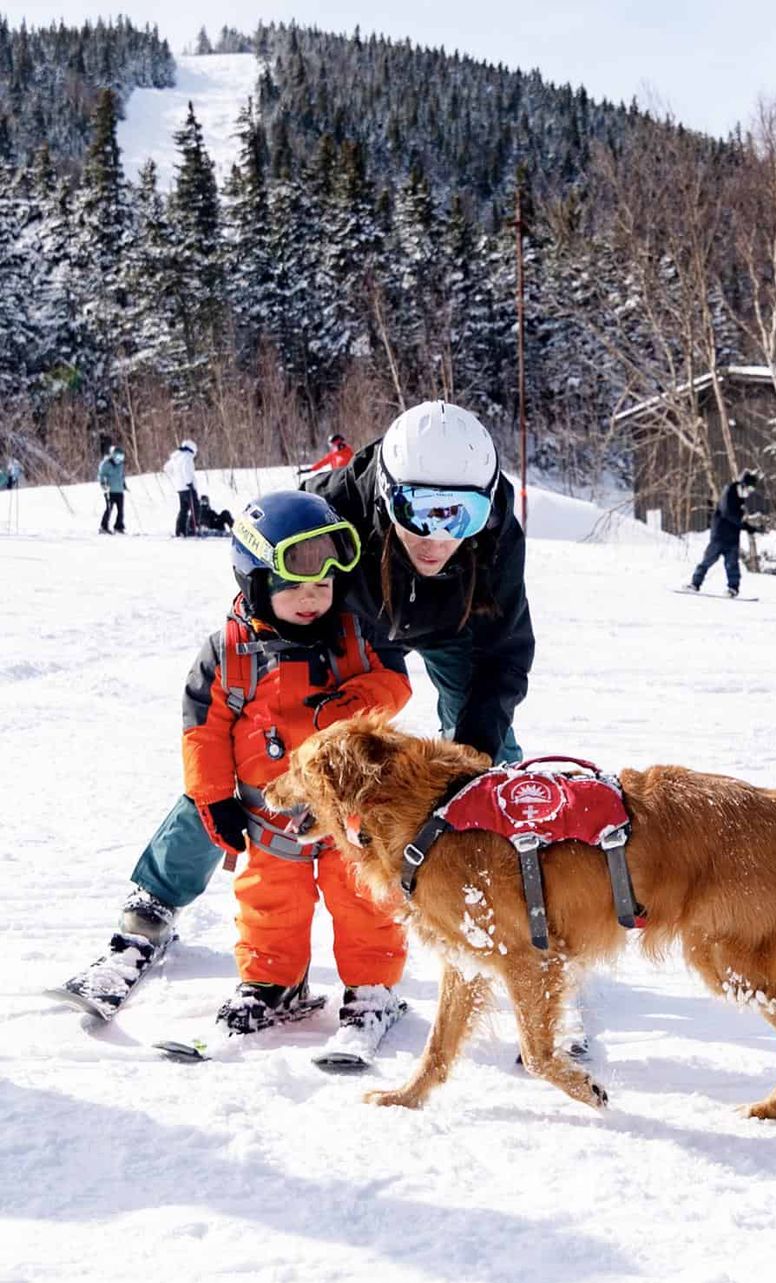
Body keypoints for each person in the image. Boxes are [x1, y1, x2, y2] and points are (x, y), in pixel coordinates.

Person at [85, 401, 535, 1042]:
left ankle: (517, 892)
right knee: (255, 762)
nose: (439, 536)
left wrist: (475, 746)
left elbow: (504, 651)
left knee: (486, 757)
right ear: (386, 495)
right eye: (419, 513)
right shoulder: (329, 507)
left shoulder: (493, 531)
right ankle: (159, 893)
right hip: (346, 627)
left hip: (451, 626)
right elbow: (260, 607)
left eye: (460, 514)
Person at [183, 489, 412, 1039]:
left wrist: (351, 706)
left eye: (324, 587)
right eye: (296, 589)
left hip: (349, 818)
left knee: (365, 900)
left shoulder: (353, 634)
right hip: (268, 818)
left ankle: (372, 988)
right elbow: (203, 729)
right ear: (256, 581)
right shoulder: (229, 653)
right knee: (268, 903)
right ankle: (272, 984)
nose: (313, 600)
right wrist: (212, 795)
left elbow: (395, 681)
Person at [688, 468, 762, 597]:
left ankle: (733, 589)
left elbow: (738, 518)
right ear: (743, 485)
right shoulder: (729, 491)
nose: (749, 493)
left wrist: (747, 526)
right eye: (749, 489)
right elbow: (728, 513)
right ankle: (695, 583)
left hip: (732, 538)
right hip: (720, 536)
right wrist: (745, 525)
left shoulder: (741, 498)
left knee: (732, 565)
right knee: (707, 560)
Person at [164, 439, 199, 536]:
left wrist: (176, 478)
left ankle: (180, 530)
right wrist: (189, 483)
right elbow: (186, 471)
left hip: (179, 487)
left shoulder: (176, 457)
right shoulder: (187, 457)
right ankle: (193, 528)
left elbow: (167, 468)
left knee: (183, 509)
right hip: (187, 487)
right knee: (195, 507)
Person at [98, 443, 127, 533]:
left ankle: (118, 526)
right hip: (110, 491)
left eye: (121, 457)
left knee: (121, 510)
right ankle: (104, 526)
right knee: (109, 509)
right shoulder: (107, 464)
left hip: (119, 491)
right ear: (113, 456)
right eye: (118, 457)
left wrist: (124, 484)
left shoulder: (121, 465)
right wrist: (103, 484)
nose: (119, 459)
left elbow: (121, 476)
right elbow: (102, 475)